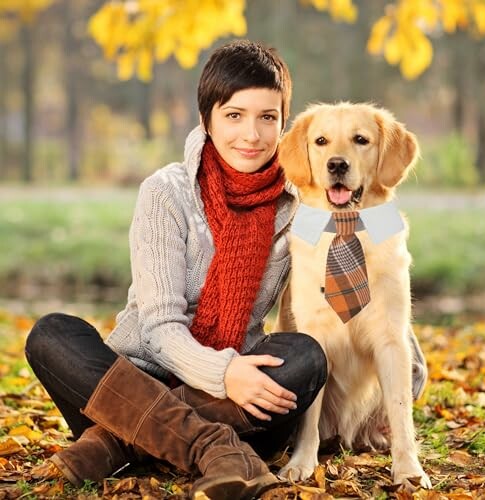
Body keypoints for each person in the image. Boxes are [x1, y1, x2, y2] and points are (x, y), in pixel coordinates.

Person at [25, 40, 329, 500]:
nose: (252, 135)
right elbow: (159, 328)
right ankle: (212, 447)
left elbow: (358, 266)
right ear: (206, 119)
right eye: (234, 115)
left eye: (268, 117)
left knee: (305, 357)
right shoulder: (167, 192)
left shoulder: (298, 202)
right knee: (51, 335)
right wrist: (223, 372)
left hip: (232, 401)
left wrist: (405, 381)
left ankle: (112, 443)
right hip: (136, 377)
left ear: (284, 124)